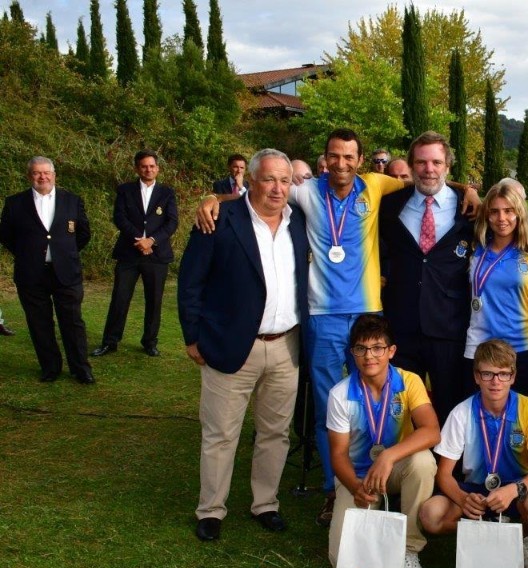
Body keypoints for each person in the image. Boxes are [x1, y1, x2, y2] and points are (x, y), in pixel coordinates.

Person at [197, 128, 478, 529]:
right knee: (331, 406)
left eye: (350, 157)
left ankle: (394, 478)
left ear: (361, 160)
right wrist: (215, 198)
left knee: (379, 400)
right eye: (334, 156)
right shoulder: (308, 190)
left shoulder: (377, 185)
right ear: (324, 159)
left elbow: (425, 176)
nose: (342, 164)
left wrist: (466, 187)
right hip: (322, 316)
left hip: (369, 315)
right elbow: (261, 195)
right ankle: (336, 488)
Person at [177, 149, 309, 542]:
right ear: (250, 181)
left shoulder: (299, 221)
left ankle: (265, 503)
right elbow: (190, 282)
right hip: (232, 344)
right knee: (220, 433)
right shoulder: (219, 219)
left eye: (284, 181)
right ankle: (212, 510)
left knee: (276, 432)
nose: (277, 188)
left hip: (286, 346)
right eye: (269, 179)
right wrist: (192, 336)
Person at [325, 314, 439, 568]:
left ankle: (409, 549)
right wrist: (354, 487)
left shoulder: (409, 381)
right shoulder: (340, 394)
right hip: (358, 477)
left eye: (377, 348)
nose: (369, 356)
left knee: (423, 462)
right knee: (341, 560)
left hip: (394, 469)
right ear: (352, 353)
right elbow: (338, 455)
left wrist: (389, 456)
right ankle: (374, 523)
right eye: (361, 349)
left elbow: (432, 430)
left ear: (391, 351)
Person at [419, 340, 528, 568]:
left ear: (513, 376)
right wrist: (462, 498)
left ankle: (527, 538)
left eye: (502, 374)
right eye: (488, 374)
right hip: (475, 491)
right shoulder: (462, 412)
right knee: (430, 516)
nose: (495, 381)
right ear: (476, 376)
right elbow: (444, 474)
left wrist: (513, 490)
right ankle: (480, 531)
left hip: (517, 491)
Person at [379, 131, 477, 426]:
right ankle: (407, 470)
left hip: (449, 326)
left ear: (448, 166)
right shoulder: (390, 205)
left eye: (436, 162)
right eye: (421, 162)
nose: (429, 169)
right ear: (410, 166)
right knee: (401, 409)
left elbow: (511, 225)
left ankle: (449, 471)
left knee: (450, 407)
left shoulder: (470, 208)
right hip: (401, 326)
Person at [0, 156, 94, 384]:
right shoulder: (15, 203)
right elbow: (6, 236)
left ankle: (81, 369)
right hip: (31, 274)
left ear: (54, 175)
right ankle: (50, 367)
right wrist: (28, 254)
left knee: (72, 322)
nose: (42, 177)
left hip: (66, 272)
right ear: (29, 176)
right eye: (37, 173)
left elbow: (83, 234)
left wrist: (64, 253)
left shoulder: (72, 200)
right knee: (39, 323)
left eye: (46, 173)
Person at [92, 150, 179, 358]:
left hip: (157, 255)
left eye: (152, 166)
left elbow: (172, 222)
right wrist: (140, 239)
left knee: (154, 300)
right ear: (137, 168)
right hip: (129, 253)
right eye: (144, 166)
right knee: (120, 298)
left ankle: (150, 342)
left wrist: (152, 240)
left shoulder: (167, 193)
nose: (148, 169)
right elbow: (119, 218)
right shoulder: (125, 190)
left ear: (157, 168)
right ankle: (110, 341)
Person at [463, 182, 528, 402]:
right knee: (478, 417)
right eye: (495, 211)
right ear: (486, 215)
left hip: (522, 346)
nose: (502, 218)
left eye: (509, 211)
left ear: (519, 214)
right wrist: (468, 189)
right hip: (479, 346)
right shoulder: (475, 247)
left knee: (527, 419)